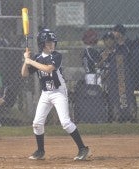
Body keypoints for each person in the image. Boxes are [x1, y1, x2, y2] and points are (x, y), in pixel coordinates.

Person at [21, 28, 89, 160]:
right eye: (48, 42)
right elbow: (24, 74)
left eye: (53, 42)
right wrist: (26, 60)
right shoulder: (37, 58)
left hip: (59, 92)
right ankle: (40, 151)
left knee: (65, 123)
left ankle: (83, 148)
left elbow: (48, 68)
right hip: (45, 93)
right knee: (37, 123)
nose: (52, 44)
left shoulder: (56, 56)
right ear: (42, 43)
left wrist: (31, 61)